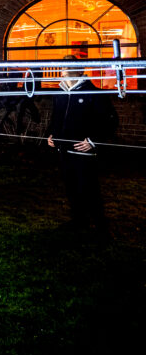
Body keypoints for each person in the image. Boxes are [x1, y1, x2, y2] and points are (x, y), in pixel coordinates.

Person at [46, 55, 117, 234]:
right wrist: (51, 134)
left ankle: (100, 226)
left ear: (79, 71)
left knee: (89, 189)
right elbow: (56, 117)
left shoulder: (93, 92)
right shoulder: (59, 93)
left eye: (69, 67)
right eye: (63, 67)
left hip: (83, 153)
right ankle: (78, 222)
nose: (64, 70)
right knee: (71, 188)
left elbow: (110, 120)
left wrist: (94, 141)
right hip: (64, 150)